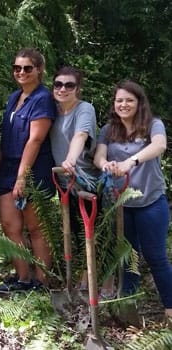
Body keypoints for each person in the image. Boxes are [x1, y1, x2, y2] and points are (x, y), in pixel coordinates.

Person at [93, 80, 172, 319]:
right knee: (128, 257)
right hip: (121, 205)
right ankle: (129, 305)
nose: (123, 104)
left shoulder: (153, 125)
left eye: (129, 100)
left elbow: (160, 146)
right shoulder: (109, 129)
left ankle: (170, 308)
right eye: (119, 100)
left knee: (155, 256)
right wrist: (105, 164)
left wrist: (131, 161)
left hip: (150, 203)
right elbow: (99, 156)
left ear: (139, 103)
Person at [0, 48, 56, 292]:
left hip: (33, 170)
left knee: (35, 228)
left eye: (27, 68)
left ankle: (41, 281)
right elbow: (7, 137)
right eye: (17, 68)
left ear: (39, 70)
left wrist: (22, 177)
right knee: (11, 225)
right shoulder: (14, 97)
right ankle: (22, 278)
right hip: (7, 167)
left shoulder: (43, 98)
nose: (21, 72)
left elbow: (35, 140)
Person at [48, 66, 101, 292]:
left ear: (78, 88)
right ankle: (77, 281)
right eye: (58, 84)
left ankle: (93, 282)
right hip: (64, 184)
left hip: (87, 182)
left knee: (92, 235)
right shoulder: (54, 111)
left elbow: (81, 135)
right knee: (74, 234)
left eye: (69, 85)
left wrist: (70, 159)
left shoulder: (84, 109)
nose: (63, 89)